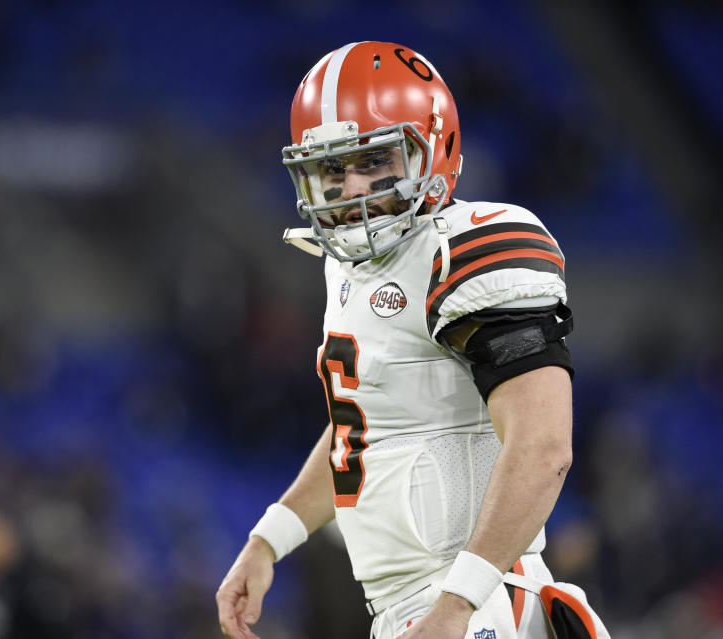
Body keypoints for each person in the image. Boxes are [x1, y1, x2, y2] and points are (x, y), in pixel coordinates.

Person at [216, 41, 610, 639]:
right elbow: (366, 428)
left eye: (374, 161)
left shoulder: (465, 248)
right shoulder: (346, 270)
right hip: (420, 609)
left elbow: (543, 447)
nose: (351, 189)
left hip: (478, 605)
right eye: (331, 169)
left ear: (433, 148)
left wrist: (457, 607)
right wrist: (269, 540)